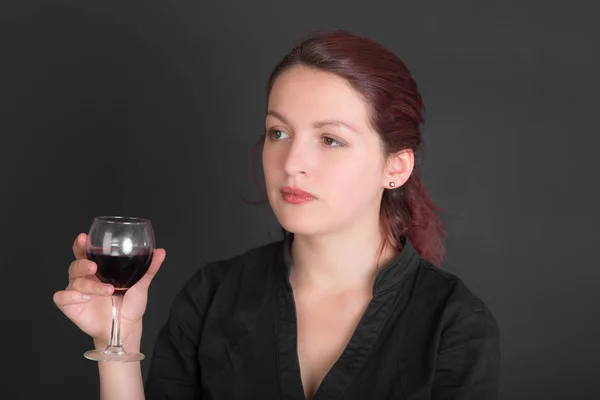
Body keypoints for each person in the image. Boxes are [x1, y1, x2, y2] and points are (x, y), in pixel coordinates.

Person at [53, 30, 500, 399]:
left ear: (395, 167)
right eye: (278, 132)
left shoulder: (453, 323)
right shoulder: (213, 295)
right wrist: (118, 342)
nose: (291, 163)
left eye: (330, 139)